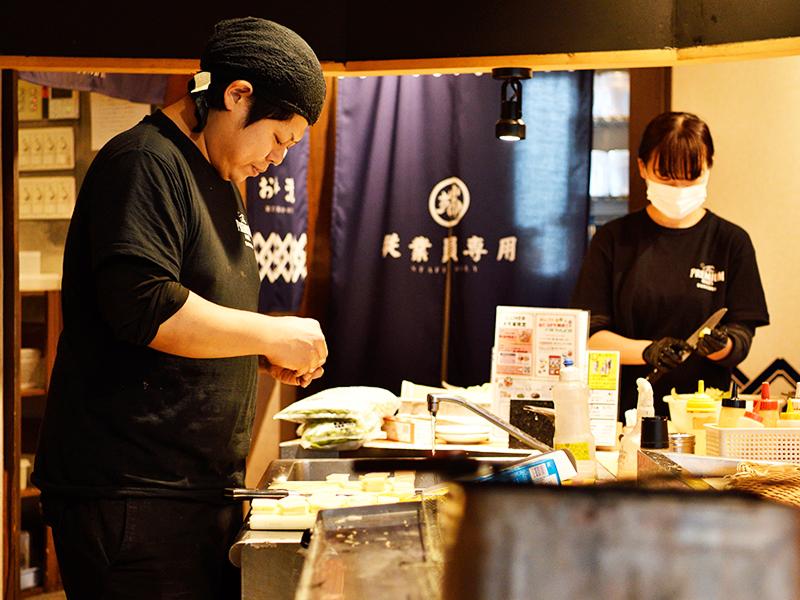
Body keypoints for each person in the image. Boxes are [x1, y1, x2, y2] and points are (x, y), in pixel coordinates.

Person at [31, 17, 328, 599]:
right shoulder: (144, 162)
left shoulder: (219, 178)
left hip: (193, 492)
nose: (277, 158)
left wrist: (256, 352)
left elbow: (202, 315)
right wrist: (269, 333)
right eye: (277, 138)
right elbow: (146, 306)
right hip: (132, 496)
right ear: (236, 95)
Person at [571, 111, 769, 419]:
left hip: (706, 415)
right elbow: (591, 336)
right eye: (666, 177)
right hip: (623, 414)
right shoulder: (613, 240)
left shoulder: (731, 241)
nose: (678, 189)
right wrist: (648, 351)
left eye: (691, 177)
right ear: (641, 167)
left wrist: (721, 344)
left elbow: (742, 333)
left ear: (709, 166)